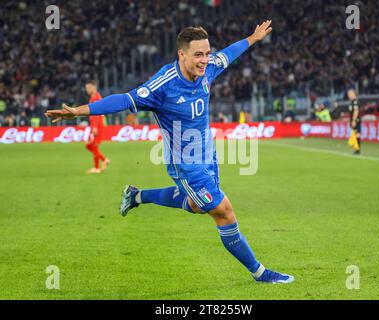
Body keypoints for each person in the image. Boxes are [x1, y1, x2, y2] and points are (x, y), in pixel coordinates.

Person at [45, 21, 294, 284]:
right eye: (198, 54)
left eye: (207, 53)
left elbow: (228, 54)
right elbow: (124, 100)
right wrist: (79, 111)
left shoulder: (208, 69)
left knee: (199, 207)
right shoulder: (162, 85)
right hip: (185, 164)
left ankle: (137, 196)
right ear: (181, 54)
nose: (204, 60)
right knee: (224, 212)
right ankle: (260, 273)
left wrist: (252, 38)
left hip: (207, 153)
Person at [84, 80, 110, 174]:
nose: (87, 89)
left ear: (94, 87)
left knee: (93, 145)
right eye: (86, 88)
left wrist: (95, 127)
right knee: (89, 145)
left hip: (97, 126)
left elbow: (97, 114)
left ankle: (98, 166)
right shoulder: (93, 98)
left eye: (89, 87)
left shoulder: (96, 98)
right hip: (94, 125)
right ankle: (103, 160)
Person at [347, 88, 361, 155]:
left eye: (349, 94)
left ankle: (357, 149)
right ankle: (356, 149)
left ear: (353, 94)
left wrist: (353, 120)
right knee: (355, 134)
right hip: (353, 120)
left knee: (357, 134)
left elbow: (356, 111)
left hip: (356, 120)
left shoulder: (355, 101)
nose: (348, 95)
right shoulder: (352, 102)